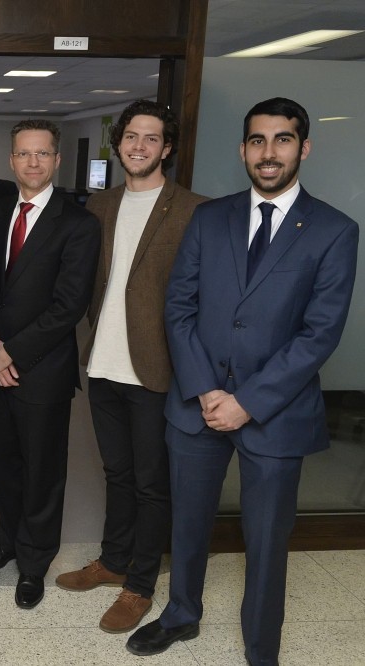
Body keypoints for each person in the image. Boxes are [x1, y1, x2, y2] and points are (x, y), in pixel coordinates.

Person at [127, 98, 359, 665]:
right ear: (242, 150)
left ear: (303, 148)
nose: (269, 152)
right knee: (187, 523)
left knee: (266, 541)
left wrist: (247, 402)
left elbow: (318, 334)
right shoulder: (211, 218)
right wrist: (207, 390)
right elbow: (178, 307)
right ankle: (182, 614)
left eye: (282, 140)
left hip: (275, 415)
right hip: (197, 407)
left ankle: (261, 647)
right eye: (257, 140)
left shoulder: (334, 230)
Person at [54, 101, 207, 633]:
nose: (138, 146)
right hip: (103, 363)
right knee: (116, 474)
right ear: (118, 143)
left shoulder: (193, 210)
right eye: (131, 137)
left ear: (167, 148)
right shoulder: (100, 204)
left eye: (151, 138)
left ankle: (139, 584)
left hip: (157, 370)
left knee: (150, 483)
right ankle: (113, 559)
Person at [0, 119, 101, 610]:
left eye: (42, 154)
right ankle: (9, 541)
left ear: (57, 160)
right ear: (10, 160)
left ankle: (33, 562)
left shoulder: (79, 223)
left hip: (42, 370)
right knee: (0, 464)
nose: (33, 162)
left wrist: (12, 351)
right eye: (24, 154)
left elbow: (69, 305)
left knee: (42, 470)